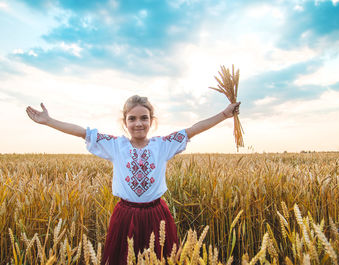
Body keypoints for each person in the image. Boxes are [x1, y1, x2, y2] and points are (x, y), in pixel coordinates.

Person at [26, 95, 240, 264]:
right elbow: (82, 132)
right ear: (125, 122)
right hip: (125, 216)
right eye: (133, 118)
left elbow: (194, 129)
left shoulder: (163, 145)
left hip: (157, 216)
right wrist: (49, 121)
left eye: (144, 118)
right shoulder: (116, 145)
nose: (139, 123)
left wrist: (224, 114)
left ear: (151, 121)